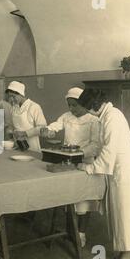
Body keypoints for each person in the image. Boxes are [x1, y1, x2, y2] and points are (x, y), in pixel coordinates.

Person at [76, 88, 130, 259]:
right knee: (119, 218)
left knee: (126, 219)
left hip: (127, 174)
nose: (88, 112)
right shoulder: (105, 116)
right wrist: (82, 155)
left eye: (88, 108)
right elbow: (100, 145)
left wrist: (89, 168)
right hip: (118, 172)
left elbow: (108, 152)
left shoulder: (113, 117)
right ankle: (123, 256)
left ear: (94, 105)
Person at [41, 87, 101, 247]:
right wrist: (49, 131)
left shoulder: (93, 120)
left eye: (75, 105)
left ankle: (81, 233)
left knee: (84, 200)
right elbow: (55, 125)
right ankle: (70, 231)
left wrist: (80, 152)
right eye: (69, 105)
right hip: (68, 161)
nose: (71, 109)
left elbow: (96, 145)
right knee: (69, 196)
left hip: (86, 162)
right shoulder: (66, 117)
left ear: (83, 103)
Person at [5, 81, 47, 152]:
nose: (11, 99)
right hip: (17, 146)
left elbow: (42, 128)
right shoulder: (13, 108)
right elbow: (11, 125)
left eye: (13, 96)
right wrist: (10, 131)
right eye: (9, 97)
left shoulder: (34, 107)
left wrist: (24, 133)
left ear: (21, 94)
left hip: (32, 147)